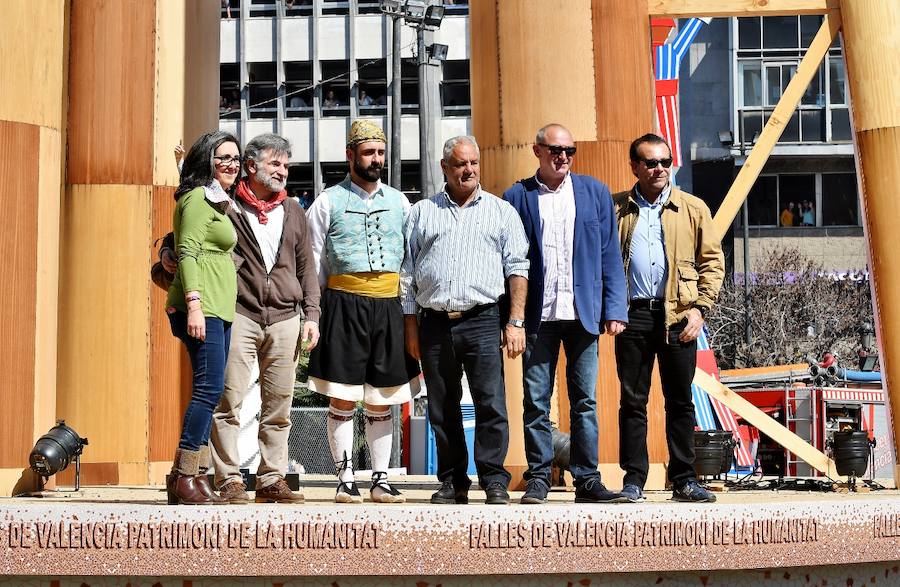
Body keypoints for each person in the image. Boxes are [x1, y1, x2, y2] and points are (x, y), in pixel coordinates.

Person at [161, 134, 321, 505]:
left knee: (279, 404)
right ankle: (228, 478)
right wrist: (167, 251)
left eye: (286, 165)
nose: (283, 172)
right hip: (238, 311)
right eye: (275, 164)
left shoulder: (294, 209)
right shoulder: (223, 200)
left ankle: (272, 478)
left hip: (285, 316)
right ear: (253, 167)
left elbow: (306, 267)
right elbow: (184, 237)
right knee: (225, 399)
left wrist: (311, 314)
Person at [504, 123, 629, 505]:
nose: (563, 157)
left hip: (583, 314)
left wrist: (614, 308)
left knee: (585, 401)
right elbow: (509, 261)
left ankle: (587, 479)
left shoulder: (593, 192)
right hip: (538, 317)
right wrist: (513, 318)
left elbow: (609, 253)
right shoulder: (517, 196)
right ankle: (539, 476)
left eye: (569, 151)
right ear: (537, 151)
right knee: (535, 401)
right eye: (556, 150)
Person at [402, 135, 529, 506]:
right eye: (460, 164)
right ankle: (452, 481)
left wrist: (515, 322)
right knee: (442, 406)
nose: (469, 170)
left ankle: (493, 479)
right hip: (435, 323)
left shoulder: (501, 211)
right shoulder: (422, 212)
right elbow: (407, 274)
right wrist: (411, 326)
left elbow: (518, 268)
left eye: (473, 163)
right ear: (445, 168)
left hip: (483, 320)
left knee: (491, 403)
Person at [306, 120, 421, 503]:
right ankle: (344, 480)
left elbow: (410, 261)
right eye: (369, 152)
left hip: (388, 306)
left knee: (382, 398)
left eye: (381, 152)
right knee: (341, 397)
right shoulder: (327, 201)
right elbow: (315, 263)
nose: (376, 160)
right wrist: (314, 314)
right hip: (343, 303)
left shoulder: (400, 202)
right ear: (350, 155)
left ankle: (381, 479)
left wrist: (408, 313)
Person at [613, 133, 724, 504]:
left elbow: (712, 263)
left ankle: (684, 480)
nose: (659, 168)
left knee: (680, 401)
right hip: (633, 316)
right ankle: (634, 480)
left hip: (678, 316)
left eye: (665, 161)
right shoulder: (617, 209)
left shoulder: (693, 209)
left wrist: (701, 309)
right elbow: (604, 265)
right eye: (651, 162)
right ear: (635, 166)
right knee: (632, 401)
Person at [164, 131, 242, 505]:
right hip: (204, 307)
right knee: (208, 390)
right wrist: (194, 304)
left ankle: (188, 476)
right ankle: (185, 476)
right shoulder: (198, 199)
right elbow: (189, 251)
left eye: (236, 159)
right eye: (223, 157)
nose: (232, 164)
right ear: (208, 161)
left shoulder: (216, 200)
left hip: (218, 308)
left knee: (210, 390)